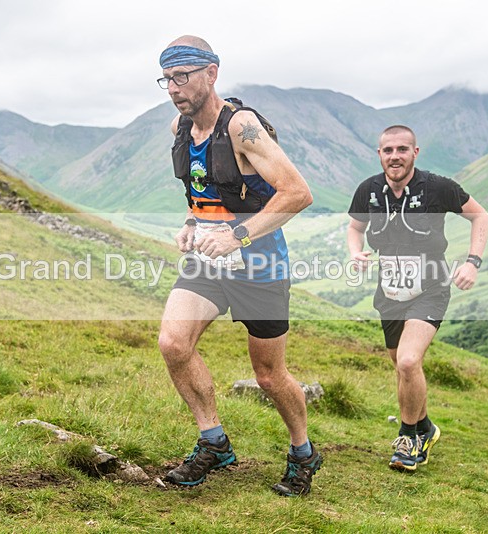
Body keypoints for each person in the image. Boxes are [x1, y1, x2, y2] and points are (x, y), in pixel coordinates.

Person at [156, 36, 321, 496]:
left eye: (182, 76)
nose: (173, 88)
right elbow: (203, 189)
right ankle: (214, 442)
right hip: (210, 262)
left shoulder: (241, 126)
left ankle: (303, 452)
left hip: (261, 265)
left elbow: (298, 192)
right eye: (166, 79)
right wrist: (192, 222)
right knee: (173, 342)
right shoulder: (180, 130)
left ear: (211, 73)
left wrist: (237, 236)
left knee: (269, 376)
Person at [347, 125, 488, 472]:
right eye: (388, 150)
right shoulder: (368, 190)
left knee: (409, 362)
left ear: (415, 152)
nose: (395, 156)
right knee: (402, 366)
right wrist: (355, 252)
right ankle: (425, 426)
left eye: (402, 150)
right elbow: (355, 226)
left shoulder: (438, 187)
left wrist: (472, 262)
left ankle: (410, 438)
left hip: (431, 288)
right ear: (379, 154)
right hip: (390, 291)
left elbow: (479, 216)